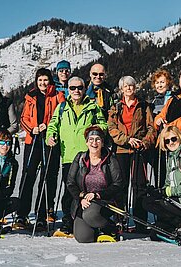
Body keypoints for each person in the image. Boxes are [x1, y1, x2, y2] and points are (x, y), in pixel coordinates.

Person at [46, 76, 108, 235]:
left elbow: (103, 125)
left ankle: (86, 220)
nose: (76, 91)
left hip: (89, 155)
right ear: (68, 90)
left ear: (83, 88)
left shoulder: (93, 107)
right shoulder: (61, 107)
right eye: (72, 88)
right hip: (68, 156)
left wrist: (96, 129)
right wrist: (50, 136)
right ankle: (68, 222)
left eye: (79, 87)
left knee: (87, 188)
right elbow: (53, 125)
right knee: (69, 191)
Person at [15, 68, 65, 230]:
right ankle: (22, 215)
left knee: (48, 177)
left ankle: (42, 214)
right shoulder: (31, 96)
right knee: (28, 176)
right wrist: (32, 128)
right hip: (33, 139)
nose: (43, 83)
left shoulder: (58, 96)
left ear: (50, 81)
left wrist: (50, 127)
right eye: (40, 80)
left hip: (50, 141)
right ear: (36, 81)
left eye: (45, 80)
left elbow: (62, 117)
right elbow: (23, 118)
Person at [107, 75, 156, 233]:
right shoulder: (116, 106)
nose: (129, 88)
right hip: (122, 149)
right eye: (126, 86)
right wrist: (127, 140)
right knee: (120, 185)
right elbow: (112, 129)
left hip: (139, 150)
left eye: (131, 85)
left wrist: (145, 142)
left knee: (139, 185)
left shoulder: (143, 105)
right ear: (121, 89)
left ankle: (140, 221)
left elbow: (151, 127)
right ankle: (120, 220)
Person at [67, 126, 122, 243]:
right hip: (84, 202)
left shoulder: (110, 159)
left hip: (104, 201)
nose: (94, 143)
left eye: (98, 139)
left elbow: (118, 184)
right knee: (83, 238)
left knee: (90, 215)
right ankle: (98, 229)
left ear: (102, 142)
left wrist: (97, 195)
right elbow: (70, 183)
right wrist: (81, 197)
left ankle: (111, 228)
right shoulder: (80, 158)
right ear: (86, 142)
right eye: (91, 139)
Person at [149, 69, 173, 188]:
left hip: (170, 138)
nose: (159, 85)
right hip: (158, 139)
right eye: (157, 82)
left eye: (162, 82)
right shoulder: (154, 101)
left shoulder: (172, 98)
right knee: (159, 167)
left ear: (168, 83)